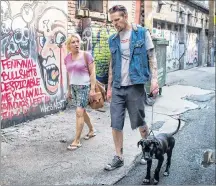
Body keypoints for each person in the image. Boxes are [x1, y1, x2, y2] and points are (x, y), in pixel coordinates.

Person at [104, 5, 159, 171]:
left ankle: (147, 150)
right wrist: (109, 87)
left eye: (117, 19)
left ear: (125, 15)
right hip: (118, 87)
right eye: (112, 21)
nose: (115, 23)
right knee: (116, 123)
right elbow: (112, 64)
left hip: (135, 86)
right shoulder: (113, 39)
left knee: (139, 121)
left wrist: (154, 80)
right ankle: (119, 157)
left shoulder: (141, 33)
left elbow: (152, 56)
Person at [64, 33, 97, 150]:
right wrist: (68, 90)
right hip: (74, 87)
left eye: (77, 41)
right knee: (81, 111)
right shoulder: (67, 58)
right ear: (69, 45)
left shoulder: (86, 55)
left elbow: (93, 72)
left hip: (84, 87)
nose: (76, 44)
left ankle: (77, 140)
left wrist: (92, 89)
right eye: (73, 42)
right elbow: (69, 74)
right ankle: (92, 130)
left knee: (79, 112)